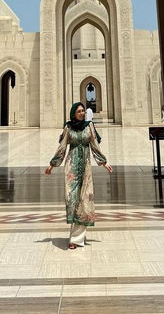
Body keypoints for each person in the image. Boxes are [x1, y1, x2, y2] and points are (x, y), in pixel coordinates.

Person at [44, 101, 112, 249]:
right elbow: (62, 147)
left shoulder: (89, 126)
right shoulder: (68, 127)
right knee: (72, 198)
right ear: (73, 113)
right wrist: (53, 164)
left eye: (83, 111)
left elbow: (94, 145)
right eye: (78, 111)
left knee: (84, 199)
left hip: (86, 168)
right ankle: (76, 236)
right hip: (72, 168)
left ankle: (75, 239)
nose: (81, 113)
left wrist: (103, 162)